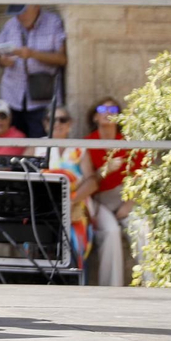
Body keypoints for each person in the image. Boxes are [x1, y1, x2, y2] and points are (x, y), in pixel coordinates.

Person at [0, 0, 67, 138]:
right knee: (14, 140)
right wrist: (2, 61)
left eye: (23, 11)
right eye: (16, 12)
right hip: (13, 95)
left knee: (40, 141)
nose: (20, 16)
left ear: (36, 6)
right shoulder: (11, 25)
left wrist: (32, 54)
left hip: (42, 96)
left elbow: (62, 59)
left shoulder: (53, 23)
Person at [87, 96, 146, 286]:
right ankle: (111, 289)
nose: (107, 113)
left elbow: (142, 176)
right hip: (99, 200)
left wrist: (129, 204)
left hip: (127, 197)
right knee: (111, 232)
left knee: (143, 229)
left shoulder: (128, 142)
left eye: (113, 111)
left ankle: (153, 283)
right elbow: (87, 180)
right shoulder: (88, 143)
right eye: (102, 109)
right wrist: (103, 171)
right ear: (95, 117)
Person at [38, 106, 95, 272]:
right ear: (44, 123)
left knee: (75, 240)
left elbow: (92, 181)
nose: (57, 123)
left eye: (62, 119)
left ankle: (75, 282)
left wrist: (71, 200)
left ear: (70, 123)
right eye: (51, 120)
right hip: (43, 210)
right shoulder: (36, 147)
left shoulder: (79, 148)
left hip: (75, 207)